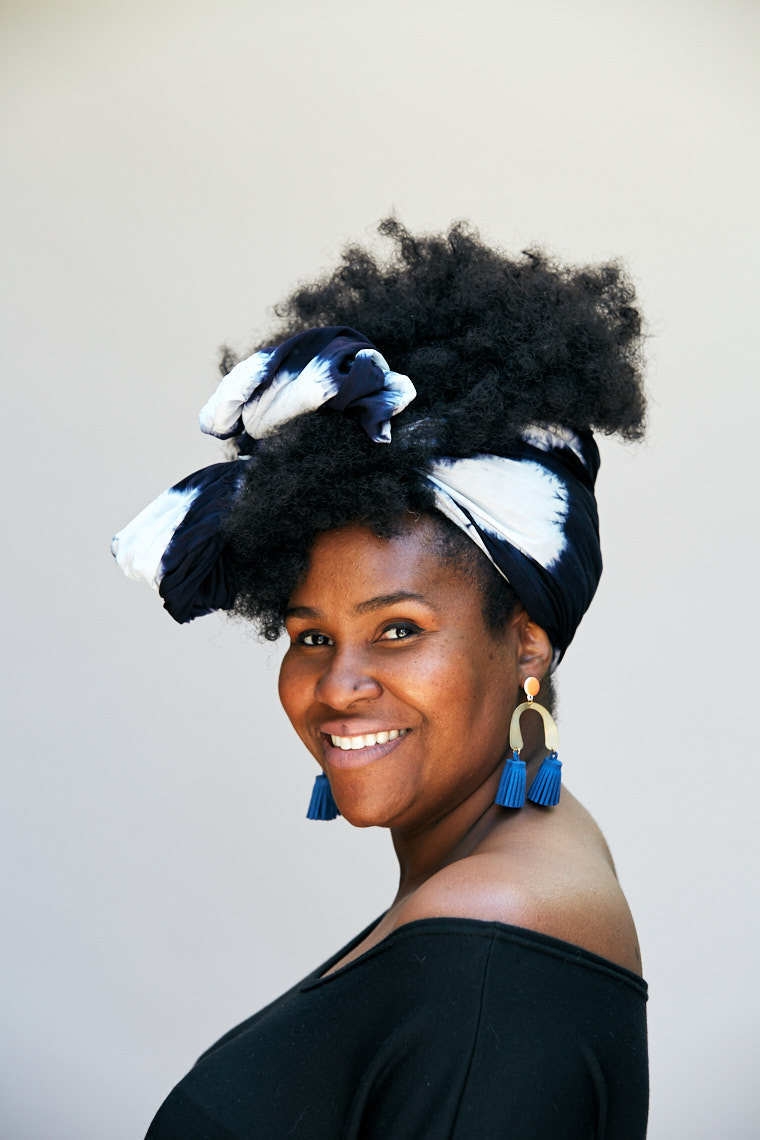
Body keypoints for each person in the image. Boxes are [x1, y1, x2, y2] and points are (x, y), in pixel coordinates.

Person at [113, 219, 649, 1138]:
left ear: (528, 644)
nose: (338, 686)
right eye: (311, 636)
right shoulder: (521, 860)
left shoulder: (492, 940)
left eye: (399, 630)